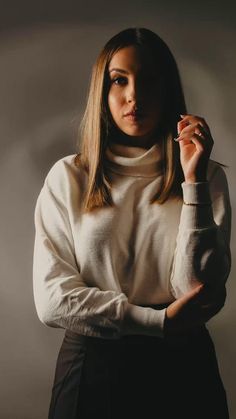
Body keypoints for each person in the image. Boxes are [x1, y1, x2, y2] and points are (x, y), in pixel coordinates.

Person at [32, 27, 231, 418]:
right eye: (119, 80)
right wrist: (158, 322)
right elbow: (52, 301)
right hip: (91, 367)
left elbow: (196, 289)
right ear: (101, 92)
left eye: (150, 80)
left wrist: (193, 182)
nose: (134, 96)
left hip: (183, 368)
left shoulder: (206, 177)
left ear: (169, 90)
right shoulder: (69, 176)